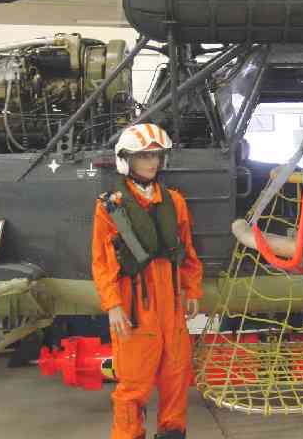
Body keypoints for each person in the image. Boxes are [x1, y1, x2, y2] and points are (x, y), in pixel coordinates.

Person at [92, 123, 203, 439]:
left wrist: (193, 288)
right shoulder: (110, 207)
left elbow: (187, 249)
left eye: (155, 156)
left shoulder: (174, 201)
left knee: (176, 378)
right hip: (135, 307)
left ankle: (172, 433)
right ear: (126, 160)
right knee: (133, 385)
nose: (152, 162)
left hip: (172, 305)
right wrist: (113, 305)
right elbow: (102, 261)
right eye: (143, 156)